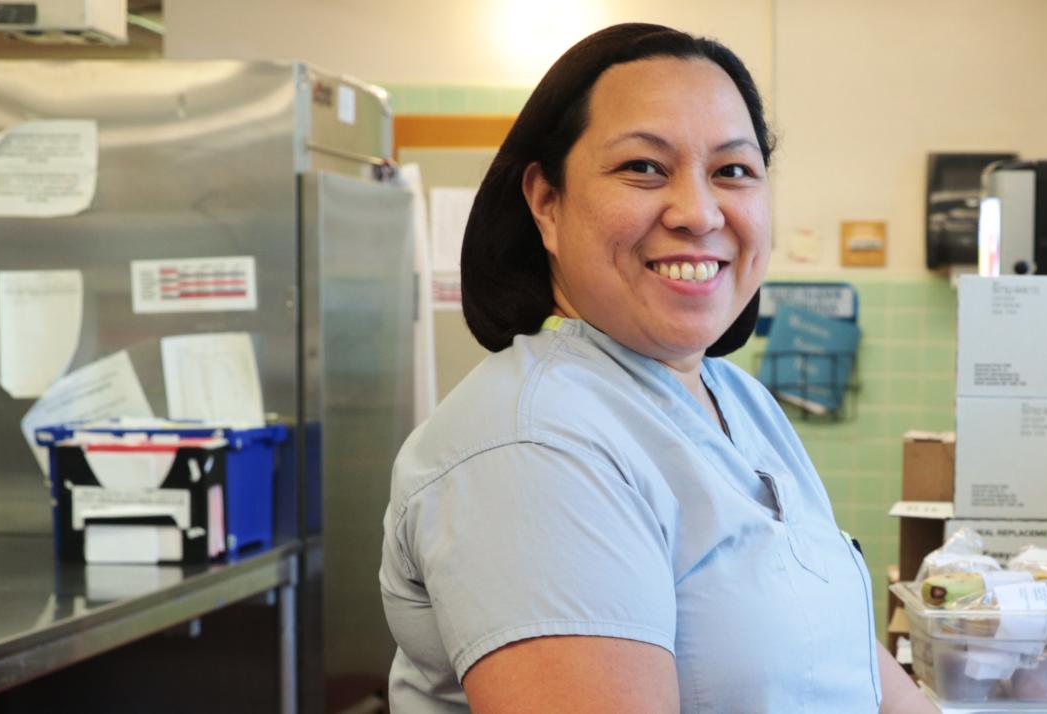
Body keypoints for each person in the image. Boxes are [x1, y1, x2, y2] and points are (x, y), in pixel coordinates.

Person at [380, 23, 937, 713]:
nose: (699, 213)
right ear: (546, 203)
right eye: (643, 167)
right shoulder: (533, 449)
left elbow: (844, 654)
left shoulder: (739, 400)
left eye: (732, 170)